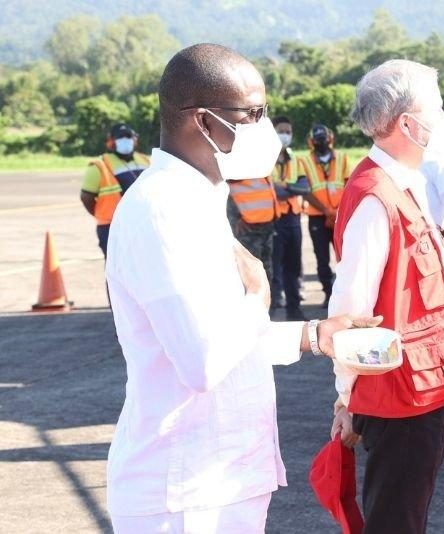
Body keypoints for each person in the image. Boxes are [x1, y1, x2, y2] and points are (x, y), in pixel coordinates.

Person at [103, 43, 379, 533]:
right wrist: (257, 294)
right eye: (253, 113)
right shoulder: (162, 210)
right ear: (205, 122)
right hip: (185, 493)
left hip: (220, 479)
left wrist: (313, 335)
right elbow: (202, 359)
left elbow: (222, 334)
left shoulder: (199, 199)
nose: (266, 126)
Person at [328, 59, 444, 534]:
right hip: (399, 396)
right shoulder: (376, 197)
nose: (443, 118)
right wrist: (346, 399)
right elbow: (350, 313)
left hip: (424, 388)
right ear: (408, 124)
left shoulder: (404, 183)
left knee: (406, 514)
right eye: (435, 109)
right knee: (395, 521)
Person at [79, 123, 150, 257]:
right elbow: (86, 197)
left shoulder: (145, 161)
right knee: (116, 273)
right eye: (120, 138)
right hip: (112, 228)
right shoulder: (100, 165)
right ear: (111, 142)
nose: (125, 141)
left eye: (128, 137)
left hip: (142, 225)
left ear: (135, 139)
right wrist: (102, 214)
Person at [301, 124, 352, 308]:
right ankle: (328, 295)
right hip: (317, 217)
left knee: (345, 257)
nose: (321, 142)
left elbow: (349, 186)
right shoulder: (304, 162)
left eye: (323, 139)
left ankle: (346, 295)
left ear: (330, 139)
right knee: (322, 259)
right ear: (312, 142)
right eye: (318, 139)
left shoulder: (343, 159)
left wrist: (337, 212)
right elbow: (305, 191)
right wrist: (326, 211)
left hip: (340, 216)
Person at [225, 156, 281, 298]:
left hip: (266, 226)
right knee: (249, 272)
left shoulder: (260, 165)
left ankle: (268, 307)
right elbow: (225, 190)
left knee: (266, 269)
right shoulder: (235, 164)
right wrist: (235, 218)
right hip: (247, 230)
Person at [270, 115, 308, 320]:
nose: (285, 135)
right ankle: (274, 310)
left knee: (293, 267)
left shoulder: (296, 160)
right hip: (274, 219)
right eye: (281, 131)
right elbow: (271, 191)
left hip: (293, 219)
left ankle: (294, 309)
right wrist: (292, 190)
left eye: (288, 131)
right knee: (275, 269)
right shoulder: (264, 160)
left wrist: (287, 188)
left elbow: (305, 188)